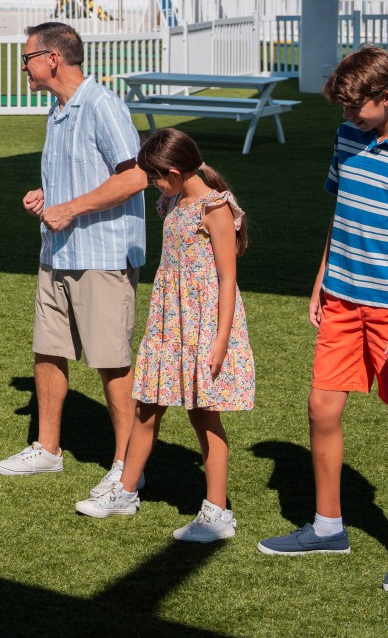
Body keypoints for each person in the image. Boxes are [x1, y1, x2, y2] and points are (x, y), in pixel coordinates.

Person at [258, 46, 388, 596]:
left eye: (355, 108)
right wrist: (322, 278)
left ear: (386, 97)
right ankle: (328, 527)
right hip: (342, 302)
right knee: (321, 407)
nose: (347, 117)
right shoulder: (348, 137)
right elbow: (341, 211)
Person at [0, 21, 148, 504]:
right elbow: (84, 175)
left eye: (27, 58)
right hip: (58, 252)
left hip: (103, 254)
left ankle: (127, 470)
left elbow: (136, 176)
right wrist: (48, 197)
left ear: (52, 59)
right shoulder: (57, 109)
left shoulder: (102, 105)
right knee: (48, 349)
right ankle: (47, 448)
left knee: (111, 360)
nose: (24, 67)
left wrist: (70, 208)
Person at [76, 128, 256, 542]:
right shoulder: (173, 201)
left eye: (155, 177)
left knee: (203, 413)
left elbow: (227, 279)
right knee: (147, 405)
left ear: (174, 172)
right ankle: (125, 492)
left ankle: (217, 512)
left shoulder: (215, 209)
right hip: (169, 321)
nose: (152, 184)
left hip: (202, 323)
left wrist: (221, 340)